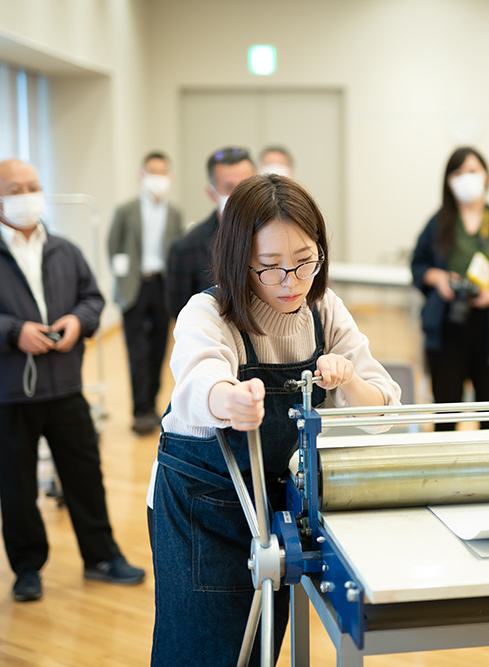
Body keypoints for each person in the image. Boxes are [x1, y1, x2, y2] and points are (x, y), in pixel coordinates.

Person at [150, 174, 400, 666]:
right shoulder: (209, 312)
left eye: (305, 262)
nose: (291, 282)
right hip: (204, 510)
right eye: (270, 267)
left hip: (276, 510)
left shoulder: (324, 310)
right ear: (239, 260)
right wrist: (230, 399)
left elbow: (383, 410)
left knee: (264, 644)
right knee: (202, 649)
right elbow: (198, 384)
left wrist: (347, 380)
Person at [0, 159, 146, 602]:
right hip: (7, 394)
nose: (28, 193)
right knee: (16, 486)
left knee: (85, 477)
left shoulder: (65, 250)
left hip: (65, 388)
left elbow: (92, 298)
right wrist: (14, 332)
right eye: (16, 188)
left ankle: (101, 557)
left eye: (33, 185)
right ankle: (27, 568)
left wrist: (79, 320)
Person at [411, 147, 489, 430]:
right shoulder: (438, 223)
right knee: (446, 415)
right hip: (447, 327)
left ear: (486, 176)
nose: (465, 178)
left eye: (472, 171)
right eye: (458, 172)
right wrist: (439, 278)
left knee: (488, 415)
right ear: (448, 180)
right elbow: (418, 267)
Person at [108, 151, 183, 435]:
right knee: (136, 350)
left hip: (163, 286)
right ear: (142, 175)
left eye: (162, 173)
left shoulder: (174, 213)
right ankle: (139, 411)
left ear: (170, 177)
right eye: (152, 172)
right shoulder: (126, 210)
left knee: (159, 350)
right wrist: (122, 276)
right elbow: (113, 244)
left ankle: (151, 405)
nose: (157, 178)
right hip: (135, 286)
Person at [166, 146, 255, 319]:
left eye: (246, 185)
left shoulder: (274, 238)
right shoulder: (186, 248)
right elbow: (181, 314)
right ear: (212, 193)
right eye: (229, 188)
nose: (239, 195)